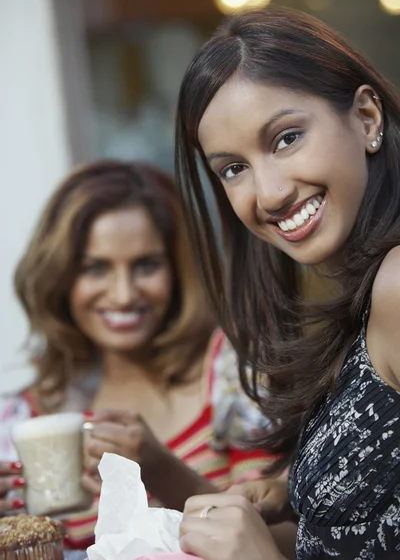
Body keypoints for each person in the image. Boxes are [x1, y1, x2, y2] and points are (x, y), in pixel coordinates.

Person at [174, 6, 400, 559]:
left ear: (367, 118)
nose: (268, 193)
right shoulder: (354, 297)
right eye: (233, 168)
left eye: (286, 138)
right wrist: (298, 503)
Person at [0, 160, 271, 548]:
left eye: (146, 265)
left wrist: (162, 470)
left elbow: (283, 535)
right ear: (58, 277)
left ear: (179, 270)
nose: (124, 294)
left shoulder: (234, 373)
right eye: (95, 268)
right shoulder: (25, 421)